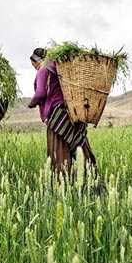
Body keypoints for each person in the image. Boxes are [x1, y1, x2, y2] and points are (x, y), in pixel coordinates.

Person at [27, 48, 98, 178]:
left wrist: (31, 103)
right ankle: (93, 178)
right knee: (80, 145)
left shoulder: (44, 70)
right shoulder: (60, 68)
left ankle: (62, 184)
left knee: (59, 151)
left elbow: (41, 93)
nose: (35, 68)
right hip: (71, 113)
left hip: (57, 116)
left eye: (34, 64)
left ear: (38, 61)